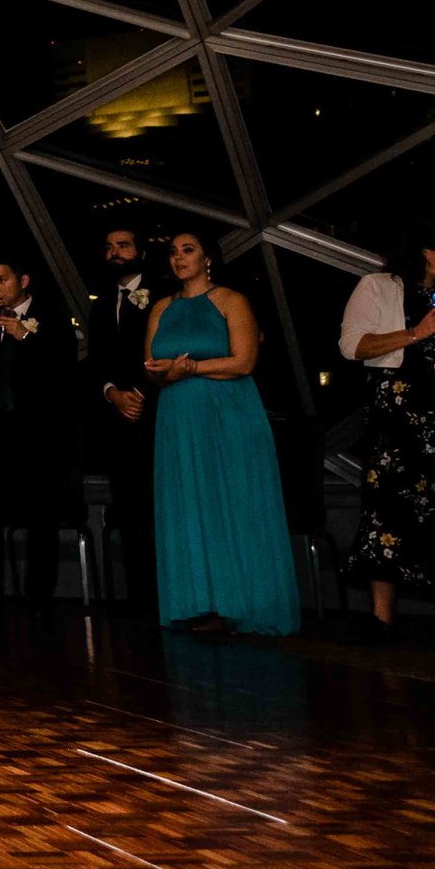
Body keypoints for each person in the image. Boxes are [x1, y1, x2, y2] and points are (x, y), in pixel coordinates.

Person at [339, 223, 435, 640]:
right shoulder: (376, 286)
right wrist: (415, 333)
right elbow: (352, 347)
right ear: (426, 251)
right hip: (396, 416)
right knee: (385, 505)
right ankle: (381, 619)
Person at [143, 233, 298, 636]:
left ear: (208, 258)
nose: (179, 258)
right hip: (177, 416)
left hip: (227, 413)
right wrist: (168, 374)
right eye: (173, 252)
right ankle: (198, 602)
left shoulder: (231, 300)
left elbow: (244, 361)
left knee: (229, 498)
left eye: (188, 250)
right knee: (189, 503)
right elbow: (150, 367)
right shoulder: (161, 306)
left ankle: (239, 602)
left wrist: (191, 369)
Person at [0, 258, 78, 611]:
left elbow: (63, 369)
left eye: (2, 279)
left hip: (38, 433)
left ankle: (38, 596)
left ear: (24, 280)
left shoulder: (52, 316)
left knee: (39, 516)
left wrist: (26, 336)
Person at [86, 226, 161, 614]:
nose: (115, 253)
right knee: (129, 506)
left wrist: (142, 395)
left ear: (141, 252)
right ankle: (140, 599)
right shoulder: (101, 303)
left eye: (123, 245)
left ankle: (170, 595)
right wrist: (112, 393)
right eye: (109, 246)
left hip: (160, 415)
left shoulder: (162, 294)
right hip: (118, 419)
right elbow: (96, 360)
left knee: (161, 505)